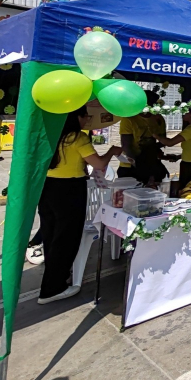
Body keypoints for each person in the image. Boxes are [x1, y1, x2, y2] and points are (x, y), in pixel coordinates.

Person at [38, 106, 123, 304]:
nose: (87, 120)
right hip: (69, 190)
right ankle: (52, 289)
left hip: (47, 188)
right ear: (76, 117)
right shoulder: (78, 138)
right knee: (66, 238)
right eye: (85, 116)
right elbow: (100, 164)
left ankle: (55, 277)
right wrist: (112, 150)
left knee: (51, 235)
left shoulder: (53, 136)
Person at [119, 90, 167, 184]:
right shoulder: (129, 119)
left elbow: (163, 141)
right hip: (131, 166)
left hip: (151, 163)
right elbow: (126, 146)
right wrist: (139, 165)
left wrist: (152, 151)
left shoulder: (158, 118)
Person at [155, 105, 191, 188]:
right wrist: (179, 156)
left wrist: (155, 135)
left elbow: (170, 143)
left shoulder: (190, 130)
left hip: (189, 167)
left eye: (185, 112)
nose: (183, 114)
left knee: (187, 190)